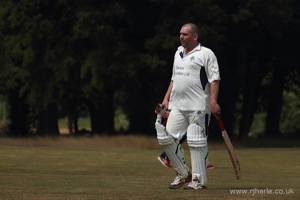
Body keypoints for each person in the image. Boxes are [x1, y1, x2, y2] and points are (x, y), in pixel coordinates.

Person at [155, 23, 221, 190]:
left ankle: (198, 181)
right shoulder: (177, 53)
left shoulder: (206, 54)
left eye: (185, 34)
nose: (181, 36)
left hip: (198, 105)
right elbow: (173, 79)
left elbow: (214, 79)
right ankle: (183, 174)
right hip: (177, 106)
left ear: (194, 37)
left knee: (196, 140)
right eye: (180, 34)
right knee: (167, 138)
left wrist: (213, 102)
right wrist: (165, 101)